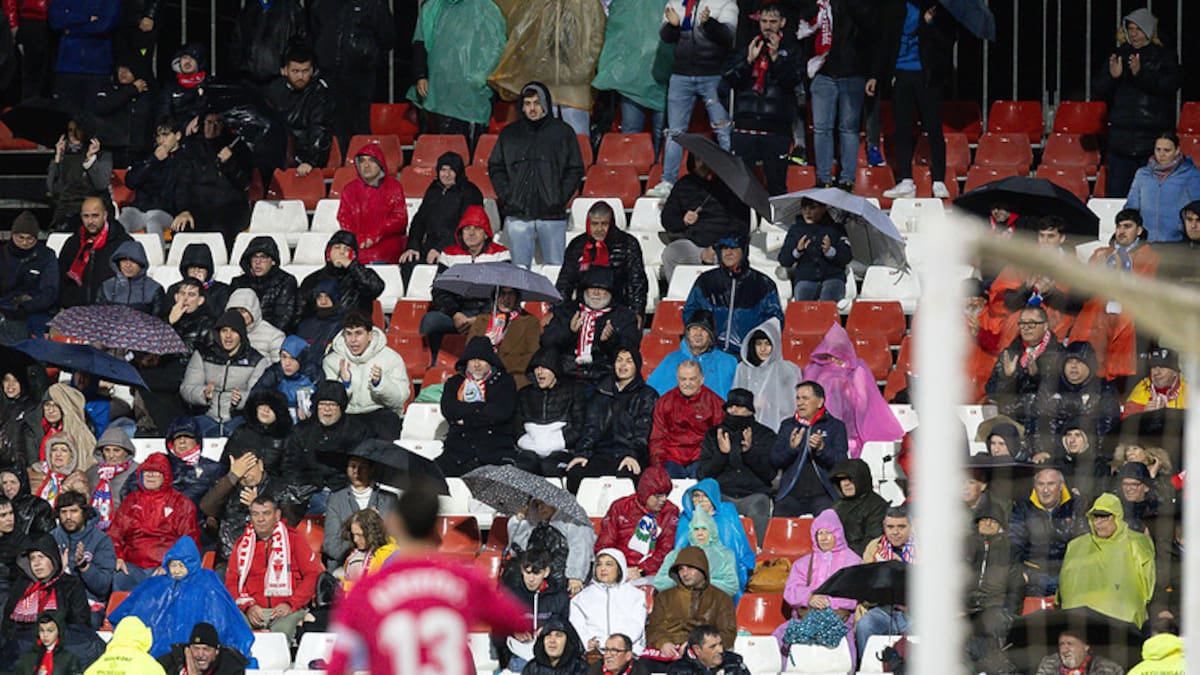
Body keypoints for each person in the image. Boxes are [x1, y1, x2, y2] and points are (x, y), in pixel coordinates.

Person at [325, 479, 528, 675]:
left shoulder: (365, 592)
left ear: (394, 524)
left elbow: (338, 665)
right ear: (435, 528)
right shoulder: (465, 582)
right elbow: (518, 623)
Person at [488, 81, 586, 269]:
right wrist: (509, 197)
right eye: (527, 103)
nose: (532, 108)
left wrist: (559, 197)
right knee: (519, 270)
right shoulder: (509, 134)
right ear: (522, 106)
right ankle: (522, 300)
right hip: (517, 215)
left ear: (546, 104)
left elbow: (574, 169)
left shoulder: (563, 132)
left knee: (555, 268)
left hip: (552, 215)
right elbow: (496, 167)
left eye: (536, 102)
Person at [646, 0, 737, 198]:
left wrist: (710, 23)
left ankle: (730, 180)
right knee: (675, 132)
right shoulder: (676, 3)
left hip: (713, 75)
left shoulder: (725, 3)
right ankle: (668, 181)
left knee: (722, 129)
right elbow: (665, 37)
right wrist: (673, 26)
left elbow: (729, 37)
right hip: (680, 75)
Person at [110, 536, 254, 658]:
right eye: (173, 565)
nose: (177, 570)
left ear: (191, 564)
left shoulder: (207, 582)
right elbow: (135, 612)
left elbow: (222, 616)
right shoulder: (157, 585)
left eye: (181, 565)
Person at [1094, 7, 1181, 199]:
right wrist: (1113, 77)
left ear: (1149, 30)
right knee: (1117, 198)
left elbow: (1168, 87)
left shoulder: (1164, 56)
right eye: (1130, 29)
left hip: (1150, 142)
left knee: (1149, 198)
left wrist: (1140, 75)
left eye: (1138, 29)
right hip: (1120, 142)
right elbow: (1099, 90)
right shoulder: (1119, 55)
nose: (1133, 34)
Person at [876, 0, 956, 200]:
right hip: (901, 73)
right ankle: (906, 181)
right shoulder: (895, 7)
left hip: (926, 75)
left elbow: (947, 42)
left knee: (933, 127)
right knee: (902, 128)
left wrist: (928, 24)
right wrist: (881, 74)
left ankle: (938, 180)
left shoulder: (936, 9)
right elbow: (885, 40)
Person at [1068, 209, 1161, 379]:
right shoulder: (1101, 254)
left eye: (1127, 226)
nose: (1121, 231)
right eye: (1118, 226)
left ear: (1139, 230)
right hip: (1098, 316)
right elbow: (1085, 288)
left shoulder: (1150, 257)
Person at [794, 0, 873, 191]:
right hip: (821, 72)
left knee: (848, 129)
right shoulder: (817, 3)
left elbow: (870, 26)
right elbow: (803, 22)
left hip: (852, 72)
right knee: (822, 128)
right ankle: (823, 178)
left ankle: (847, 179)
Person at [722, 4, 799, 196]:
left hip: (776, 129)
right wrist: (748, 61)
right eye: (764, 21)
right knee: (740, 188)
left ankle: (775, 225)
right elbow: (730, 80)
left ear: (782, 23)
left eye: (773, 21)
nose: (767, 26)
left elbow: (793, 82)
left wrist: (775, 58)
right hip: (745, 127)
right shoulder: (746, 47)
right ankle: (742, 224)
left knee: (776, 187)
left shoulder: (792, 49)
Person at [420, 205, 511, 361]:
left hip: (489, 313)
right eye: (467, 228)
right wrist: (455, 314)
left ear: (486, 233)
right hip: (458, 312)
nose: (471, 233)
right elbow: (439, 291)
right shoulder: (449, 255)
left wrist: (482, 318)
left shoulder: (500, 254)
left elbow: (506, 292)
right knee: (430, 321)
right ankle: (432, 364)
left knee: (504, 323)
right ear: (460, 233)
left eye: (477, 228)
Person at [225, 495, 322, 640]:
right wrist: (248, 607)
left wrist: (291, 604)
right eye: (255, 514)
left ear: (277, 515)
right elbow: (232, 582)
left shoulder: (294, 539)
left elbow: (312, 574)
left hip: (287, 609)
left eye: (266, 513)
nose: (260, 519)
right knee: (233, 626)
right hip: (252, 609)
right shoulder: (241, 545)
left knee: (280, 634)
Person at [408, 0, 506, 140]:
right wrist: (420, 75)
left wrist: (481, 77)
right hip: (440, 92)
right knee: (444, 148)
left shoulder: (485, 8)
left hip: (473, 95)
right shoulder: (432, 8)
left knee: (471, 147)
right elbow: (419, 44)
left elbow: (497, 47)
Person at [802, 323, 904, 458]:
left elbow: (863, 401)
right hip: (821, 427)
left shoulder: (857, 369)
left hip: (851, 428)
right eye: (830, 353)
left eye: (837, 352)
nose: (834, 358)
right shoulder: (816, 369)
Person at [568, 348, 658, 492]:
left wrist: (632, 455)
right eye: (619, 360)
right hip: (602, 455)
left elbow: (643, 432)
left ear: (637, 365)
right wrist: (582, 454)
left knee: (628, 477)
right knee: (575, 473)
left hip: (629, 454)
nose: (623, 365)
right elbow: (591, 428)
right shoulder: (601, 392)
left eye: (629, 361)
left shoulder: (647, 395)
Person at [1059, 493, 1155, 627]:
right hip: (1080, 623)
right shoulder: (1076, 546)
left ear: (1117, 517)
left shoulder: (1136, 543)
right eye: (1095, 517)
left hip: (1124, 622)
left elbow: (1148, 583)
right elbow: (1065, 584)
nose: (1098, 523)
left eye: (1104, 517)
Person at [308, 0, 395, 149]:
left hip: (361, 74)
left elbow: (388, 36)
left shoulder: (374, 3)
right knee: (332, 125)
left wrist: (367, 55)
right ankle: (340, 168)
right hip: (329, 75)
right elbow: (314, 32)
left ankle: (360, 165)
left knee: (359, 125)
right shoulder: (321, 3)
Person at [107, 453, 202, 590]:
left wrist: (172, 565)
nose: (150, 476)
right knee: (120, 579)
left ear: (166, 476)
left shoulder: (181, 503)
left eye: (156, 472)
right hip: (132, 566)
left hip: (166, 566)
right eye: (147, 472)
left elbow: (189, 540)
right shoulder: (131, 501)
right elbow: (114, 534)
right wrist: (118, 557)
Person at [591, 0, 670, 160]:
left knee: (657, 133)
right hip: (635, 74)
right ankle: (633, 171)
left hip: (656, 70)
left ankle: (656, 174)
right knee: (638, 132)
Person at [775, 509, 860, 657]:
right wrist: (809, 598)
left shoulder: (853, 561)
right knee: (778, 637)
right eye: (820, 533)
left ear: (837, 534)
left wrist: (828, 601)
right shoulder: (803, 562)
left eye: (828, 533)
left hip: (839, 621)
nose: (824, 538)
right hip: (806, 619)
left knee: (845, 645)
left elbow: (856, 592)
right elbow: (791, 591)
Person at [541, 268, 643, 389]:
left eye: (602, 289)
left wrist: (610, 340)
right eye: (592, 288)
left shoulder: (624, 316)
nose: (596, 293)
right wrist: (569, 332)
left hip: (605, 378)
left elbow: (631, 350)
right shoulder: (567, 311)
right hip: (567, 377)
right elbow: (546, 343)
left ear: (611, 291)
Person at [697, 389, 776, 546]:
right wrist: (722, 455)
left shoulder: (765, 434)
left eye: (739, 407)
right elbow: (703, 473)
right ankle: (713, 551)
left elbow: (769, 473)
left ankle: (757, 552)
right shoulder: (714, 434)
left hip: (753, 494)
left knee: (759, 507)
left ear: (749, 411)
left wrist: (749, 452)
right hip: (723, 494)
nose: (734, 410)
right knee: (709, 506)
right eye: (731, 406)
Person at [682, 234, 783, 356]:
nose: (728, 253)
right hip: (711, 353)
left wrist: (754, 347)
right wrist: (705, 341)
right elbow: (691, 313)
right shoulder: (705, 281)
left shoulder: (763, 284)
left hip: (746, 356)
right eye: (724, 248)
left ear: (744, 251)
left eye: (733, 248)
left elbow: (774, 322)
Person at [658, 155, 751, 282]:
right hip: (692, 243)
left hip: (723, 245)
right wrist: (683, 220)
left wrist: (715, 247)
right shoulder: (684, 184)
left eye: (706, 160)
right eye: (698, 160)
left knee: (730, 256)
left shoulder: (730, 187)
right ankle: (678, 295)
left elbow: (741, 225)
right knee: (671, 253)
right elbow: (667, 220)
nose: (702, 163)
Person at [282, 380, 368, 514]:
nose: (327, 409)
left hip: (343, 490)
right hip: (309, 492)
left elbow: (361, 468)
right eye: (322, 404)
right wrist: (304, 487)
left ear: (341, 407)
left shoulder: (357, 431)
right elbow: (290, 466)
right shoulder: (301, 430)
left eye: (332, 405)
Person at [170, 112, 254, 248]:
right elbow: (182, 184)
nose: (212, 127)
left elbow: (244, 183)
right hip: (198, 208)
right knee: (183, 226)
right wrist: (184, 210)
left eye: (217, 123)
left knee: (220, 228)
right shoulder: (191, 148)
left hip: (230, 209)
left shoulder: (238, 147)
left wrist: (229, 163)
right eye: (209, 122)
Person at [180, 310, 270, 438]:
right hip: (206, 417)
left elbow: (259, 394)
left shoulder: (256, 360)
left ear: (241, 334)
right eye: (224, 331)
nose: (228, 336)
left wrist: (241, 400)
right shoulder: (203, 355)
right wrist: (203, 394)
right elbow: (187, 388)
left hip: (238, 419)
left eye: (233, 331)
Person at [437, 336, 518, 475]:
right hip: (457, 453)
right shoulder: (454, 383)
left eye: (481, 359)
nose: (477, 364)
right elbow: (449, 409)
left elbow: (501, 412)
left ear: (490, 362)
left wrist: (465, 419)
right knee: (427, 476)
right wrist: (482, 408)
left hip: (494, 453)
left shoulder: (505, 382)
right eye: (473, 359)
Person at [322, 310, 410, 438]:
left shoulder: (391, 358)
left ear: (370, 335)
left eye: (358, 333)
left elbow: (399, 399)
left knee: (389, 422)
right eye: (348, 334)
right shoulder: (332, 361)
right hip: (347, 415)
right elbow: (330, 402)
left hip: (379, 414)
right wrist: (345, 384)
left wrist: (380, 383)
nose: (353, 340)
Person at [1, 534, 92, 655]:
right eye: (32, 558)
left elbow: (79, 624)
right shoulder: (22, 586)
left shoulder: (70, 585)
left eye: (41, 557)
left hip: (58, 648)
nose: (37, 563)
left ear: (53, 558)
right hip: (20, 649)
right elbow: (8, 624)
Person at [557, 202, 650, 318]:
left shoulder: (628, 244)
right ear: (588, 224)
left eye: (604, 224)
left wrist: (637, 313)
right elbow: (565, 282)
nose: (599, 229)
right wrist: (558, 313)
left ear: (611, 224)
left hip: (619, 309)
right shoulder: (577, 245)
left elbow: (637, 282)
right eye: (595, 224)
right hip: (583, 309)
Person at [200, 447, 296, 560]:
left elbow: (287, 527)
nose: (245, 475)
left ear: (260, 465)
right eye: (240, 470)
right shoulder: (227, 487)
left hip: (267, 558)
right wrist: (232, 476)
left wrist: (258, 507)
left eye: (249, 468)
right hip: (229, 558)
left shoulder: (280, 489)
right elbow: (206, 507)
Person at [1029, 341, 1121, 455]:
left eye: (1079, 362)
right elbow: (1037, 421)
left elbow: (1109, 427)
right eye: (1069, 362)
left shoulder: (1104, 388)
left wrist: (1096, 455)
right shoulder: (1050, 386)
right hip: (1052, 455)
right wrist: (1041, 451)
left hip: (1091, 456)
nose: (1073, 366)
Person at [771, 381, 848, 517]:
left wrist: (822, 449)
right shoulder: (788, 425)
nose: (800, 403)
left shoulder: (835, 426)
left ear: (819, 402)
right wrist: (791, 448)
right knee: (779, 523)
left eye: (805, 398)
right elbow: (775, 461)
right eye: (798, 398)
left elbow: (841, 462)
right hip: (791, 494)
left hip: (823, 494)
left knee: (828, 521)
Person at [645, 547, 736, 658]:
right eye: (681, 569)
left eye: (690, 568)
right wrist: (663, 643)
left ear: (702, 568)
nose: (685, 573)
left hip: (705, 656)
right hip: (668, 655)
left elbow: (727, 635)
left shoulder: (721, 598)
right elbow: (654, 628)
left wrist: (697, 647)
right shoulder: (664, 597)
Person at [1008, 467, 1086, 597]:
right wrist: (1020, 573)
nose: (1045, 490)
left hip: (1069, 573)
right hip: (1034, 575)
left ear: (1061, 486)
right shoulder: (1022, 508)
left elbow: (1084, 541)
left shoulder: (1076, 506)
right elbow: (1014, 542)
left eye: (1051, 484)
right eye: (1041, 484)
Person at [400, 152, 484, 271]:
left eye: (451, 170)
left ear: (458, 171)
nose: (446, 175)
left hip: (459, 246)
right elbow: (419, 220)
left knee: (441, 266)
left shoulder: (471, 192)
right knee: (409, 262)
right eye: (443, 170)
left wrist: (441, 249)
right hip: (430, 244)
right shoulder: (433, 189)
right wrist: (413, 246)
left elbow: (468, 227)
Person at [986, 305, 1065, 427]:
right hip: (1010, 423)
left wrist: (1035, 377)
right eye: (1022, 324)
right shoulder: (1010, 353)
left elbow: (1060, 393)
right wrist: (1008, 378)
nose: (1026, 328)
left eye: (1032, 323)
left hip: (1044, 426)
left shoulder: (1060, 354)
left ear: (1045, 326)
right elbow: (991, 393)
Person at [594, 466, 679, 580]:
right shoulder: (620, 507)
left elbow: (665, 550)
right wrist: (617, 568)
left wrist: (642, 570)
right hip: (616, 568)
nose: (663, 499)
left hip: (650, 572)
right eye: (658, 496)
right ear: (645, 493)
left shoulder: (670, 511)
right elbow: (605, 543)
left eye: (666, 494)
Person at [263, 44, 334, 177]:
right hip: (277, 154)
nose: (301, 76)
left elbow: (320, 130)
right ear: (284, 71)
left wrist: (311, 161)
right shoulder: (272, 91)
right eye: (295, 71)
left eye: (305, 71)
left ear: (312, 71)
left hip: (306, 155)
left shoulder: (319, 94)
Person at [673, 480, 754, 592]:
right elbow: (679, 550)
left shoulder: (727, 512)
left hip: (726, 569)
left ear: (713, 497)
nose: (700, 500)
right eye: (696, 496)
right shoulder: (686, 518)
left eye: (705, 496)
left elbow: (739, 543)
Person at [514, 349, 586, 475]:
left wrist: (558, 442)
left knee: (550, 467)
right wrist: (527, 443)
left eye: (544, 367)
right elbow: (516, 426)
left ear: (555, 370)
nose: (539, 372)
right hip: (529, 449)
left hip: (562, 450)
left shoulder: (573, 391)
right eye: (536, 368)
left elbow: (578, 426)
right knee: (523, 466)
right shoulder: (524, 394)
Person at [855, 507, 916, 655]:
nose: (895, 532)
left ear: (911, 526)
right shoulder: (874, 548)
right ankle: (868, 669)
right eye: (890, 527)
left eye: (901, 527)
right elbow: (864, 585)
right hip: (883, 609)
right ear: (884, 526)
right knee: (866, 625)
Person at [964, 502, 1022, 656]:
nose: (988, 524)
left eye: (993, 521)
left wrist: (1009, 612)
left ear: (1000, 525)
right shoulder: (964, 544)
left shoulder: (1010, 549)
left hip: (993, 607)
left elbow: (1016, 584)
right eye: (984, 520)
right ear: (977, 523)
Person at [335, 142, 409, 264]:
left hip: (387, 240)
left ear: (380, 163)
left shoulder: (393, 186)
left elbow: (399, 219)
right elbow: (344, 218)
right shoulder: (350, 189)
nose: (366, 165)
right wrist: (358, 239)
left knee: (375, 255)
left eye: (371, 161)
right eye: (362, 161)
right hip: (358, 242)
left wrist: (376, 235)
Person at [322, 451, 399, 567]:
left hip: (381, 565)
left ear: (371, 469)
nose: (356, 471)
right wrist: (359, 538)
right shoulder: (336, 499)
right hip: (345, 566)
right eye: (352, 466)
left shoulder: (389, 499)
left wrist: (378, 526)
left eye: (362, 467)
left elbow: (397, 540)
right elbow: (331, 546)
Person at [649, 361, 724, 479]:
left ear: (702, 379)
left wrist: (711, 462)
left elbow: (719, 439)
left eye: (692, 379)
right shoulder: (664, 402)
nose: (687, 383)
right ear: (677, 379)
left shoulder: (715, 403)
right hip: (671, 458)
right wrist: (659, 466)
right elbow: (657, 438)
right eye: (683, 379)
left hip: (701, 457)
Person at [50, 490, 115, 627]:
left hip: (89, 600)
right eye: (63, 512)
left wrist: (84, 566)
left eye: (73, 511)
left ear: (84, 513)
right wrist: (58, 570)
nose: (68, 517)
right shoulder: (51, 538)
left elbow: (103, 587)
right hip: (55, 597)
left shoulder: (101, 540)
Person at [502, 549, 572, 672]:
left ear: (546, 572)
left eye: (536, 573)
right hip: (520, 655)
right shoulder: (512, 596)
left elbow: (566, 628)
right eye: (527, 573)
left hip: (550, 657)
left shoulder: (559, 597)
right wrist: (513, 631)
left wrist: (549, 630)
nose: (531, 579)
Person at [57, 196, 131, 308]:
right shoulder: (72, 243)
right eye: (86, 216)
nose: (90, 221)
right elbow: (61, 278)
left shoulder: (123, 243)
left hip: (112, 310)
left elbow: (133, 280)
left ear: (105, 215)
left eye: (95, 216)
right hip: (76, 309)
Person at [570, 550, 647, 657]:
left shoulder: (636, 595)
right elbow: (578, 627)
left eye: (609, 564)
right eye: (599, 564)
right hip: (595, 653)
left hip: (628, 652)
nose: (603, 568)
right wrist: (590, 642)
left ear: (619, 569)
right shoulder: (581, 599)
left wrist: (615, 645)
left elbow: (637, 626)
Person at [1125, 132, 1200, 242]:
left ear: (1177, 151)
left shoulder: (1190, 174)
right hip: (1146, 242)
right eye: (1158, 149)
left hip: (1178, 242)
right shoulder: (1142, 174)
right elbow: (1131, 207)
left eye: (1167, 150)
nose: (1161, 154)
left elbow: (1198, 208)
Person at [47, 0, 118, 115]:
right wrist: (85, 18)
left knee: (91, 122)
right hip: (66, 65)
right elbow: (55, 19)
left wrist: (70, 30)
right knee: (64, 118)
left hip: (97, 68)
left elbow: (105, 25)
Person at [647, 310, 737, 399]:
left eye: (704, 330)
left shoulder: (728, 362)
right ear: (687, 334)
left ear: (711, 336)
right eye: (694, 328)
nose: (698, 333)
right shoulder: (671, 359)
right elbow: (651, 393)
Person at [778, 197, 853, 301]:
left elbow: (847, 257)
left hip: (833, 277)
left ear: (823, 209)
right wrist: (798, 251)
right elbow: (784, 260)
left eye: (812, 208)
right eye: (804, 208)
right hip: (805, 278)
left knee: (826, 305)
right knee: (804, 307)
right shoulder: (795, 230)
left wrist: (830, 251)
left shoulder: (836, 229)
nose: (807, 212)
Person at [120, 119, 183, 239]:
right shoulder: (148, 156)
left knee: (153, 221)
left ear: (178, 136)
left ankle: (157, 258)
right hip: (139, 209)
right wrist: (152, 161)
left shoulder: (184, 159)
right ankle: (120, 256)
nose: (161, 140)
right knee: (122, 220)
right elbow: (131, 182)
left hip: (165, 212)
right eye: (158, 136)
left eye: (165, 135)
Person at [655, 509, 739, 599]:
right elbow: (659, 582)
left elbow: (731, 586)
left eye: (704, 529)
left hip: (713, 605)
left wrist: (701, 583)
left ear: (712, 530)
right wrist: (684, 581)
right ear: (691, 532)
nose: (700, 534)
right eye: (696, 529)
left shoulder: (725, 555)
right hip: (680, 604)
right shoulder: (675, 555)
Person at [466, 287, 540, 389]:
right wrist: (484, 343)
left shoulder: (530, 322)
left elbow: (532, 356)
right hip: (480, 376)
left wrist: (498, 363)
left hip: (512, 377)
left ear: (517, 297)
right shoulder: (482, 319)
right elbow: (469, 351)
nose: (506, 298)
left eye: (510, 294)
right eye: (502, 294)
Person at [0, 212, 58, 341]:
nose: (25, 242)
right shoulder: (2, 255)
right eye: (20, 238)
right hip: (4, 307)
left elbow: (50, 291)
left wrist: (27, 306)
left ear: (36, 238)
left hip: (35, 310)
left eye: (30, 238)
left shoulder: (46, 256)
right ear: (12, 235)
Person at [297, 231, 385, 316]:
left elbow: (376, 288)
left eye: (347, 249)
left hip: (352, 328)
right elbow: (301, 310)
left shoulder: (362, 276)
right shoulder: (313, 279)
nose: (342, 252)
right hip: (322, 329)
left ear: (354, 255)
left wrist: (351, 265)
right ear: (329, 252)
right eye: (337, 247)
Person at [47, 121, 114, 231]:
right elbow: (53, 190)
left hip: (95, 210)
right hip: (68, 211)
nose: (73, 134)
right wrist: (58, 159)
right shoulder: (63, 157)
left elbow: (101, 184)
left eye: (77, 130)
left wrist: (90, 160)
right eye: (70, 130)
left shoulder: (103, 155)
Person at [91, 60, 157, 167]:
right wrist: (132, 90)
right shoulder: (108, 89)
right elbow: (102, 108)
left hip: (140, 151)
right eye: (121, 68)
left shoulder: (148, 93)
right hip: (111, 150)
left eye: (128, 69)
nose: (123, 72)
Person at [229, 236, 299, 332]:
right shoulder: (239, 283)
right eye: (254, 257)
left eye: (263, 257)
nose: (258, 262)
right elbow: (231, 316)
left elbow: (283, 319)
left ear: (273, 261)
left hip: (273, 336)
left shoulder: (286, 281)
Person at [231, 0, 306, 87]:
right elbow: (237, 41)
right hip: (249, 80)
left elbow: (301, 44)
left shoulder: (290, 8)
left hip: (279, 81)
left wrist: (289, 70)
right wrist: (240, 69)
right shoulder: (250, 8)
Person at [20, 384, 94, 471]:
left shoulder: (76, 429)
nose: (51, 410)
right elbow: (31, 459)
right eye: (47, 405)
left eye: (55, 405)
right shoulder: (32, 427)